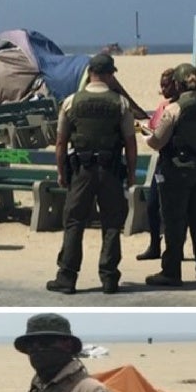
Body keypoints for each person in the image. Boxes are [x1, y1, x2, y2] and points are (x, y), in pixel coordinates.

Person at [48, 53, 137, 295]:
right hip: (110, 171)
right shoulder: (120, 104)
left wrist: (61, 173)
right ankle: (109, 278)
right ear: (108, 75)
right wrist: (130, 175)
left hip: (81, 171)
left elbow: (60, 143)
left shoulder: (71, 102)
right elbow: (130, 143)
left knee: (74, 222)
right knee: (111, 224)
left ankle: (67, 277)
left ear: (89, 74)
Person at [144, 63, 196, 287]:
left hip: (178, 171)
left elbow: (157, 141)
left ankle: (171, 272)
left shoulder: (174, 109)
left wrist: (145, 137)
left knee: (174, 221)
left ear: (178, 85)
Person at [136, 69, 179, 261]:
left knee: (175, 209)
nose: (162, 89)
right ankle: (154, 245)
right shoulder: (163, 106)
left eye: (166, 85)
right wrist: (145, 128)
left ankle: (175, 249)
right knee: (153, 205)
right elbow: (154, 127)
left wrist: (149, 137)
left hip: (175, 162)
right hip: (162, 162)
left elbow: (157, 138)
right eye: (161, 85)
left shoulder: (178, 108)